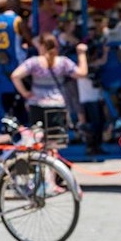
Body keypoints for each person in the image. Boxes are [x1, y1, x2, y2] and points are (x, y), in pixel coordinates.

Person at [10, 33, 88, 139]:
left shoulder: (34, 62)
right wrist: (81, 54)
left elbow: (15, 76)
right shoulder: (63, 62)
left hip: (36, 104)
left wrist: (25, 93)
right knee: (55, 139)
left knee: (37, 137)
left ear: (42, 46)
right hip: (56, 105)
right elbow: (82, 73)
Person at [79, 11, 111, 154]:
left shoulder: (94, 43)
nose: (92, 32)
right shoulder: (82, 49)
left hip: (95, 92)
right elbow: (91, 64)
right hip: (87, 93)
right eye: (90, 29)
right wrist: (103, 54)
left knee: (100, 121)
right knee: (93, 122)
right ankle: (91, 147)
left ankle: (96, 146)